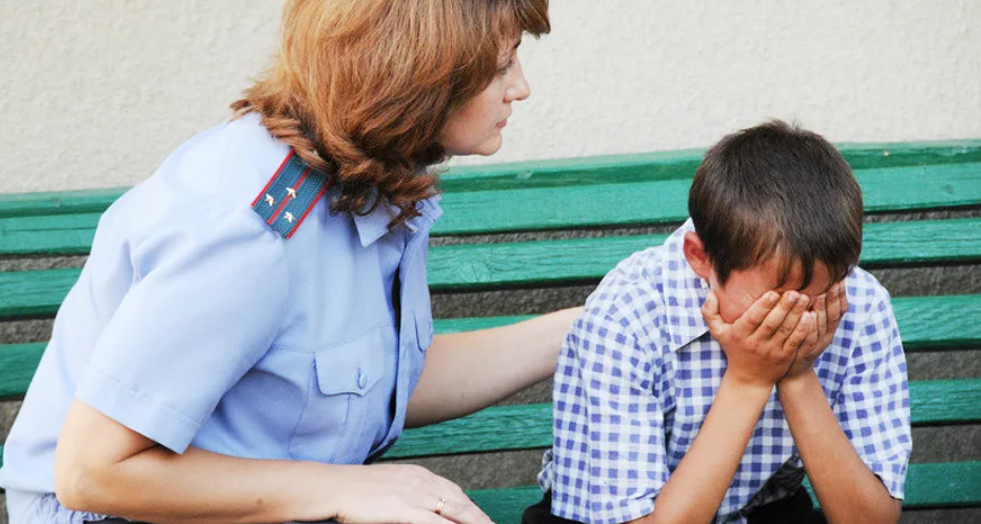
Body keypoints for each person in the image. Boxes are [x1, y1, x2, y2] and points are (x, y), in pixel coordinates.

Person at [0, 1, 580, 523]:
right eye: (503, 65)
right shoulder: (248, 234)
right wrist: (344, 489)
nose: (521, 87)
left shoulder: (369, 173)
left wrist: (590, 324)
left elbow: (379, 381)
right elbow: (92, 472)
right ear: (421, 77)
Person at [525, 121, 911, 524]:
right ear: (700, 258)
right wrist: (749, 380)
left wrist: (798, 375)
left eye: (821, 294)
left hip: (763, 511)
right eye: (777, 300)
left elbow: (871, 519)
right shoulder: (628, 314)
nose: (799, 320)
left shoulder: (858, 301)